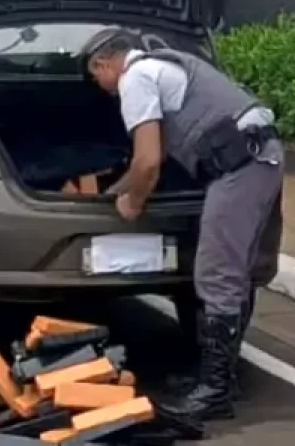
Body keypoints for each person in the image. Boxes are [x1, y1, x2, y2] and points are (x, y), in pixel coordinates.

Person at [80, 28, 284, 422]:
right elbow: (141, 168)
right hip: (260, 157)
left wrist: (131, 204)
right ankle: (220, 379)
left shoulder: (135, 78)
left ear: (104, 63)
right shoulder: (162, 66)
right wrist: (112, 194)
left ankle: (215, 392)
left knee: (218, 274)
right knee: (237, 272)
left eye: (95, 76)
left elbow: (149, 162)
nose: (100, 86)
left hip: (239, 166)